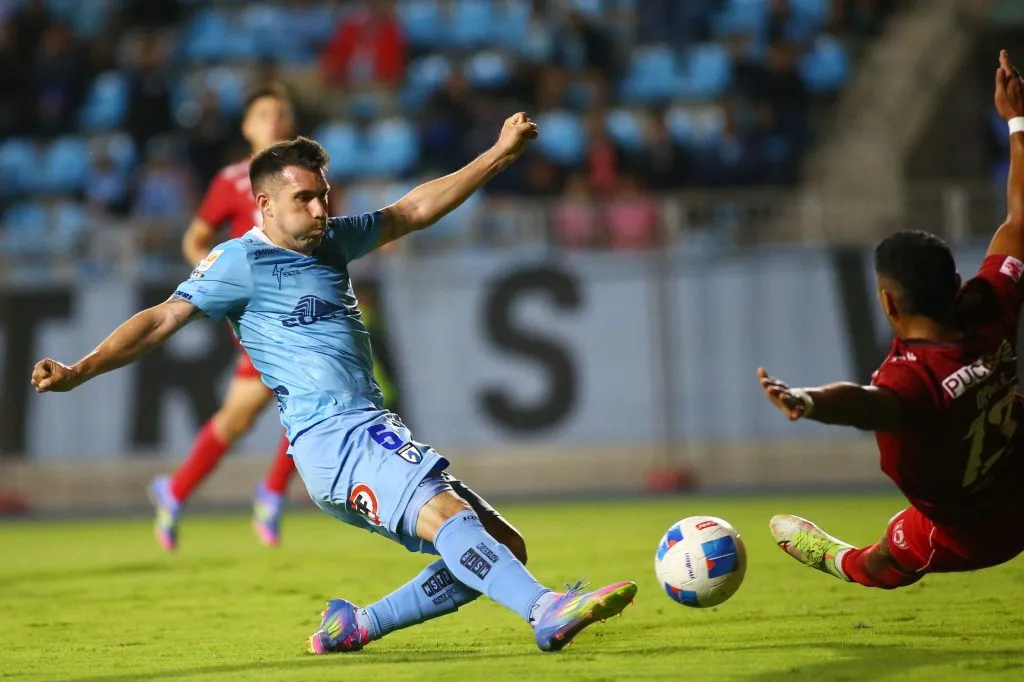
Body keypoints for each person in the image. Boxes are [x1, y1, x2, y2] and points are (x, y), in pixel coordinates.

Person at [31, 114, 637, 653]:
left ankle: (358, 624)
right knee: (452, 516)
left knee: (503, 544)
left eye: (323, 196)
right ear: (264, 205)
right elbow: (162, 317)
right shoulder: (238, 262)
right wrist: (81, 369)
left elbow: (412, 211)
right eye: (305, 199)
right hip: (336, 437)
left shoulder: (334, 240)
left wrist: (497, 156)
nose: (321, 209)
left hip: (364, 431)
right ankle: (543, 609)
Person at [757, 50, 1024, 590]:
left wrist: (806, 401)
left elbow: (862, 404)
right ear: (955, 285)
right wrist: (1017, 121)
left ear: (889, 305)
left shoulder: (910, 381)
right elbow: (1020, 218)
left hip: (976, 533)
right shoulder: (990, 301)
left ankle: (837, 560)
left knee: (883, 561)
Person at [147, 83, 299, 552]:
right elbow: (196, 237)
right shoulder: (234, 180)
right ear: (247, 127)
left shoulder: (309, 178)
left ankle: (175, 491)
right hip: (257, 309)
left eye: (280, 113)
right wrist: (211, 279)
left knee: (239, 417)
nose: (273, 120)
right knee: (314, 389)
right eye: (264, 113)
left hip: (299, 303)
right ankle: (271, 491)